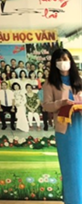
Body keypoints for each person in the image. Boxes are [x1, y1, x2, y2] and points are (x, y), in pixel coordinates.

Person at [42, 48, 82, 204]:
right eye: (59, 60)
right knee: (71, 168)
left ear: (71, 61)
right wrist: (61, 103)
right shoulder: (50, 84)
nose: (63, 63)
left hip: (79, 125)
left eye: (65, 59)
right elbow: (46, 106)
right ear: (54, 63)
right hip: (66, 131)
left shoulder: (78, 81)